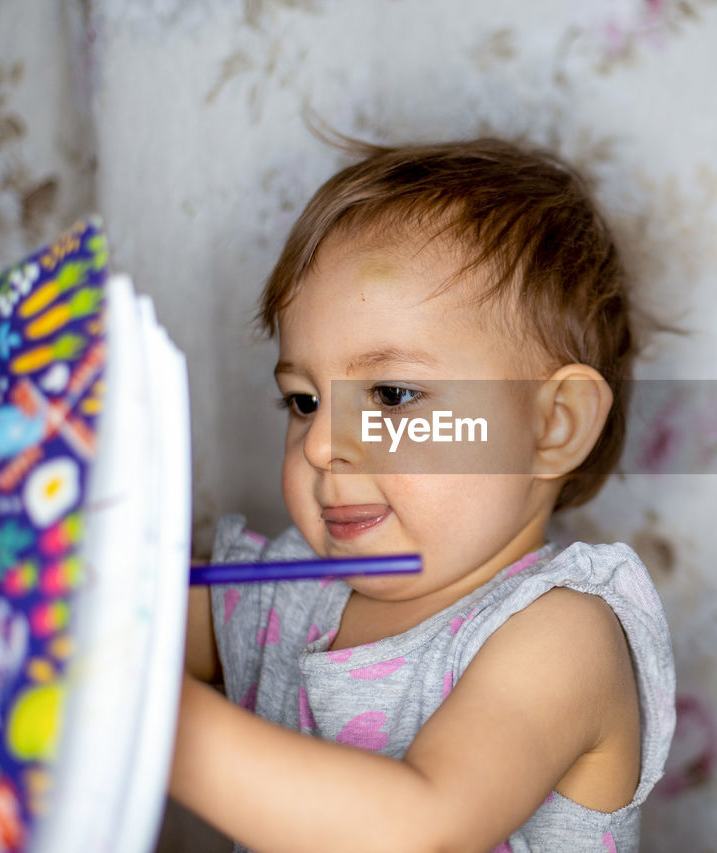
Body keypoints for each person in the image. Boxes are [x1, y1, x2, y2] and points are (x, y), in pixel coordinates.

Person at [168, 137, 676, 853]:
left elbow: (420, 827)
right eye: (304, 401)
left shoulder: (562, 637)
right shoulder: (279, 595)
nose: (320, 444)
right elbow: (113, 621)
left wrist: (157, 718)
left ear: (552, 424)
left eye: (392, 393)